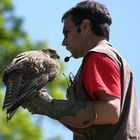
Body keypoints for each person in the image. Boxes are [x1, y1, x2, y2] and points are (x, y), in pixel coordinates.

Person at [23, 0, 140, 139]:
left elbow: (110, 111)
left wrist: (50, 106)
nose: (63, 42)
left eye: (66, 33)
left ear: (85, 26)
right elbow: (91, 125)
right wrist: (52, 110)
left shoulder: (98, 55)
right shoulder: (113, 57)